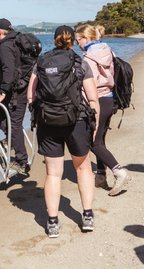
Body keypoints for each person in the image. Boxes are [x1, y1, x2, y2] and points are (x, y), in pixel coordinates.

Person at [28, 25, 100, 237]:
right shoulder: (81, 62)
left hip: (48, 122)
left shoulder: (40, 62)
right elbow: (93, 98)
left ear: (54, 41)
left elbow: (31, 97)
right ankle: (87, 216)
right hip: (76, 122)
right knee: (83, 169)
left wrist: (39, 118)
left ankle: (52, 222)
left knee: (53, 173)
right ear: (73, 42)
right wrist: (93, 126)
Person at [75, 24, 132, 196]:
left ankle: (119, 172)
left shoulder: (89, 59)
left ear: (86, 38)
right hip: (110, 99)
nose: (77, 44)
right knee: (100, 139)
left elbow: (89, 85)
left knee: (92, 142)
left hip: (97, 102)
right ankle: (100, 175)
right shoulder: (108, 50)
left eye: (78, 40)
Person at [0, 18, 29, 175]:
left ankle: (22, 161)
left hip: (16, 92)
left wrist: (3, 92)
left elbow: (9, 70)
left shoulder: (5, 46)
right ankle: (11, 140)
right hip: (21, 88)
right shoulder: (15, 41)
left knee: (15, 125)